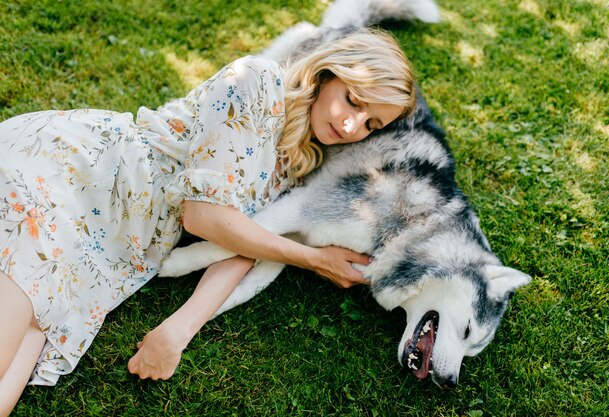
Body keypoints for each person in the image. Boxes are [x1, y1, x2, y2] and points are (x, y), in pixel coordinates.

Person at [0, 28, 416, 413]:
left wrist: (177, 331)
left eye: (370, 124)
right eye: (354, 101)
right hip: (76, 176)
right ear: (327, 74)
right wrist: (312, 257)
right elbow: (205, 217)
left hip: (114, 247)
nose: (351, 125)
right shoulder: (257, 81)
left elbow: (244, 244)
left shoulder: (305, 167)